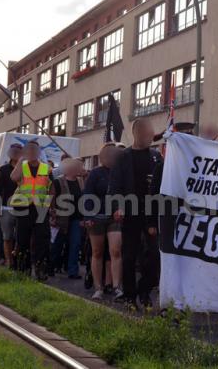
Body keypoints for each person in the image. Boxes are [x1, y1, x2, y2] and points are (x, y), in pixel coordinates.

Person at [108, 118, 162, 310]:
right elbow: (114, 186)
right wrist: (118, 207)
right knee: (129, 256)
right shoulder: (123, 157)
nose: (151, 137)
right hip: (129, 213)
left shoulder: (156, 157)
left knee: (154, 255)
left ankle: (145, 290)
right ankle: (130, 296)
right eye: (148, 134)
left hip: (151, 214)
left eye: (152, 134)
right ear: (137, 133)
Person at [84, 143, 124, 300]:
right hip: (96, 217)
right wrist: (87, 217)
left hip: (114, 218)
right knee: (97, 252)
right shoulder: (95, 174)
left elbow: (124, 193)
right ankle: (98, 288)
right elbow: (87, 195)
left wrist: (121, 208)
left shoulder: (120, 173)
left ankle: (116, 287)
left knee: (115, 251)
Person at [10, 141, 53, 279]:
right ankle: (23, 268)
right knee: (22, 240)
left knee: (42, 239)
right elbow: (14, 178)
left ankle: (40, 268)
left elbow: (51, 189)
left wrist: (48, 206)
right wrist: (21, 160)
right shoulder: (22, 166)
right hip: (23, 208)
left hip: (40, 209)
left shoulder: (46, 168)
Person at [50, 158, 85, 279]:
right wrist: (53, 215)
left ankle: (72, 270)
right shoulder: (57, 182)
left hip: (76, 218)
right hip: (61, 217)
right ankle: (51, 267)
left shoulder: (81, 181)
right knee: (57, 244)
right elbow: (52, 199)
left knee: (75, 244)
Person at [0, 144, 23, 268]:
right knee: (7, 236)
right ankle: (9, 260)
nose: (16, 153)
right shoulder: (3, 170)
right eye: (14, 151)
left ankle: (17, 257)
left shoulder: (26, 169)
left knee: (20, 236)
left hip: (23, 207)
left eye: (18, 151)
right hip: (6, 207)